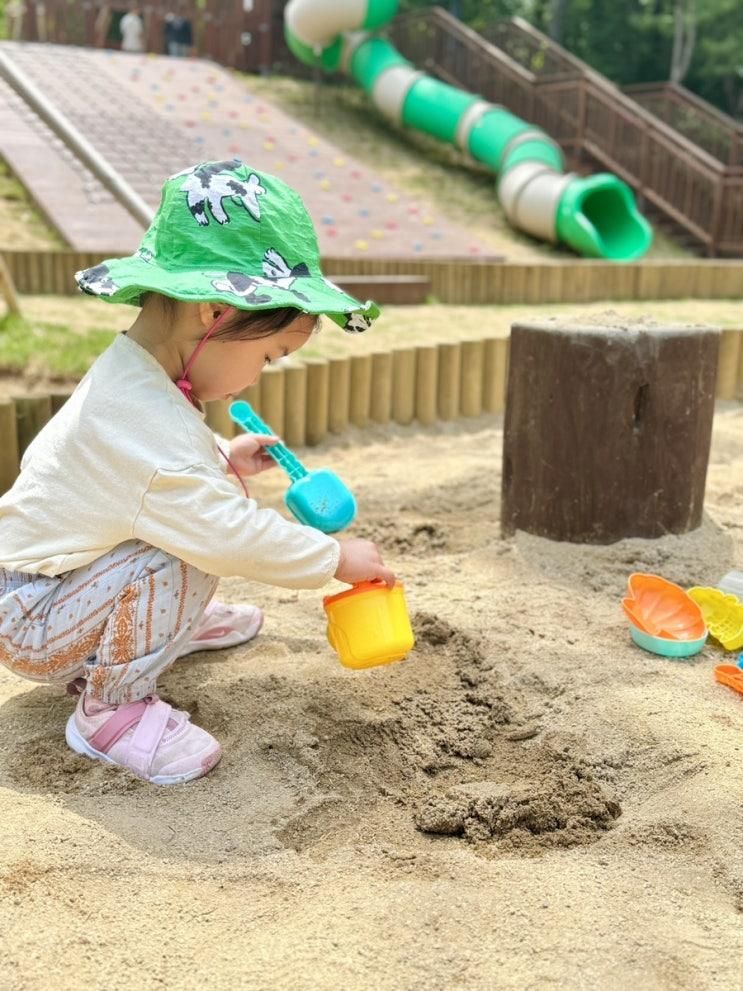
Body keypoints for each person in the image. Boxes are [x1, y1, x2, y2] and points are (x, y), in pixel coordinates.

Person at [0, 159, 393, 786]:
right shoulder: (145, 421)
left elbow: (141, 476)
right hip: (32, 619)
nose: (261, 374)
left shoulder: (135, 376)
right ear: (213, 314)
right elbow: (221, 528)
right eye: (268, 355)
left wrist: (226, 459)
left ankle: (155, 622)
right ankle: (111, 711)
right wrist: (334, 557)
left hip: (51, 585)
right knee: (188, 546)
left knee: (187, 526)